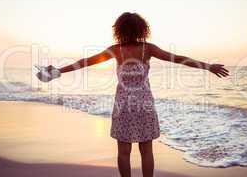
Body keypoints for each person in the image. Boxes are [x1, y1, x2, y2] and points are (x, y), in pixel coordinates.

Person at [36, 12, 229, 177]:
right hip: (144, 105)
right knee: (146, 151)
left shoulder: (115, 51)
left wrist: (57, 71)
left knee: (124, 152)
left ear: (118, 30)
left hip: (123, 106)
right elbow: (177, 59)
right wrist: (208, 66)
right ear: (142, 30)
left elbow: (85, 61)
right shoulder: (147, 49)